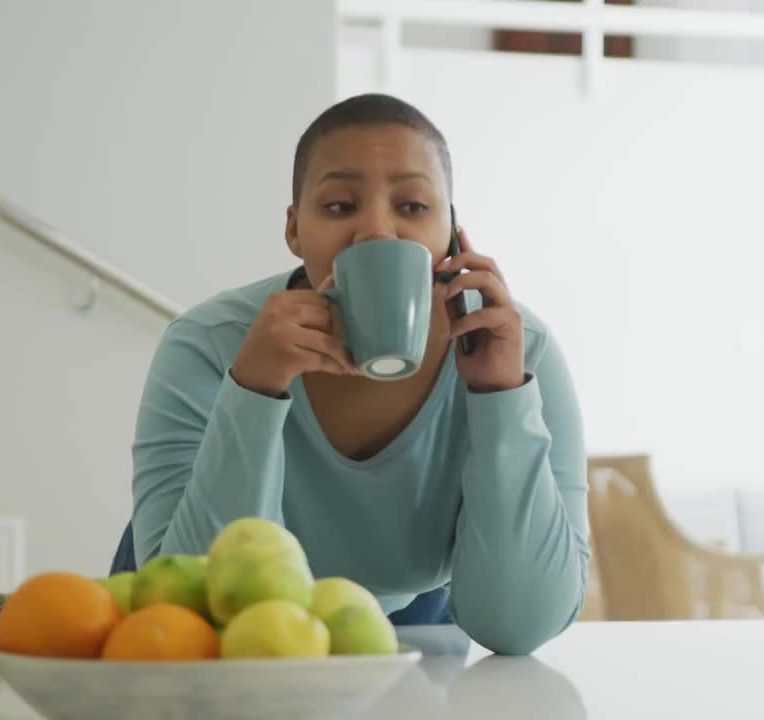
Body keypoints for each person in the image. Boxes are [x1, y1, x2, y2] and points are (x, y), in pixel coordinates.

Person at [116, 93, 589, 655]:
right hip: (209, 622)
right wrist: (254, 389)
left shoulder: (517, 349)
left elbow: (520, 624)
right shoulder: (207, 346)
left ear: (454, 232)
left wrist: (499, 396)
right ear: (294, 231)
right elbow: (192, 605)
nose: (377, 231)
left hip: (417, 620)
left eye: (413, 207)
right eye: (340, 206)